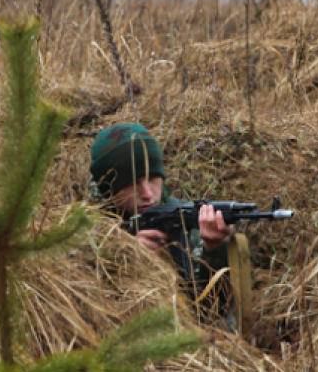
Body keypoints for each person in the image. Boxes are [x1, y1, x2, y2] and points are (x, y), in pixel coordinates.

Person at [89, 123, 233, 320]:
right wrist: (127, 258)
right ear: (109, 191)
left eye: (153, 178)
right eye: (132, 183)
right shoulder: (90, 233)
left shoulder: (189, 221)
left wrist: (215, 250)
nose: (147, 194)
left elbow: (214, 313)